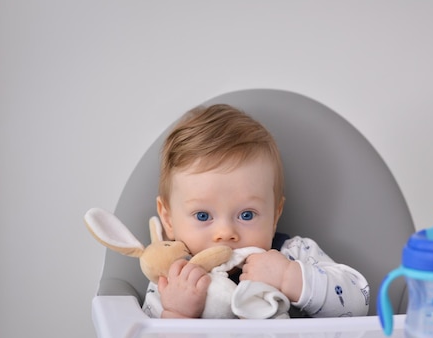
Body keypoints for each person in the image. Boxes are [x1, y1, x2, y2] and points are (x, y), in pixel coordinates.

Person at [142, 104, 370, 319]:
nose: (225, 233)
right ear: (168, 219)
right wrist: (177, 314)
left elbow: (359, 303)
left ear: (274, 216)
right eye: (203, 216)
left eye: (247, 215)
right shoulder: (170, 279)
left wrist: (289, 277)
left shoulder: (293, 255)